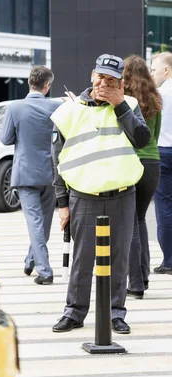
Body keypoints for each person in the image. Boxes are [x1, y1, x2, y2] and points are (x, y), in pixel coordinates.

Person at [51, 54, 150, 334]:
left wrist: (119, 105)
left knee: (119, 258)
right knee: (82, 259)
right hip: (83, 196)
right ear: (92, 75)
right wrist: (62, 203)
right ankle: (74, 312)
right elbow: (55, 160)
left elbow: (142, 140)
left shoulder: (129, 105)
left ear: (121, 83)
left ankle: (116, 313)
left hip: (121, 194)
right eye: (101, 77)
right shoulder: (70, 111)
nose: (104, 83)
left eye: (112, 80)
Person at [0, 66, 61, 285]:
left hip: (25, 172)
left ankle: (45, 271)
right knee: (44, 222)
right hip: (51, 172)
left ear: (29, 82)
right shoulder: (58, 106)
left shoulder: (15, 107)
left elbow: (5, 139)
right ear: (47, 86)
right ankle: (30, 260)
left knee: (35, 222)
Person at [123, 55, 163, 298]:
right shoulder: (155, 98)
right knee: (140, 218)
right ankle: (144, 277)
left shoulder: (123, 101)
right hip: (153, 162)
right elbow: (154, 136)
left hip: (131, 161)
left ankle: (135, 284)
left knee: (130, 221)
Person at [149, 51, 172, 275]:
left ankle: (169, 261)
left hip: (163, 153)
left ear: (166, 70)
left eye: (154, 69)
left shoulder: (158, 94)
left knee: (164, 206)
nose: (152, 74)